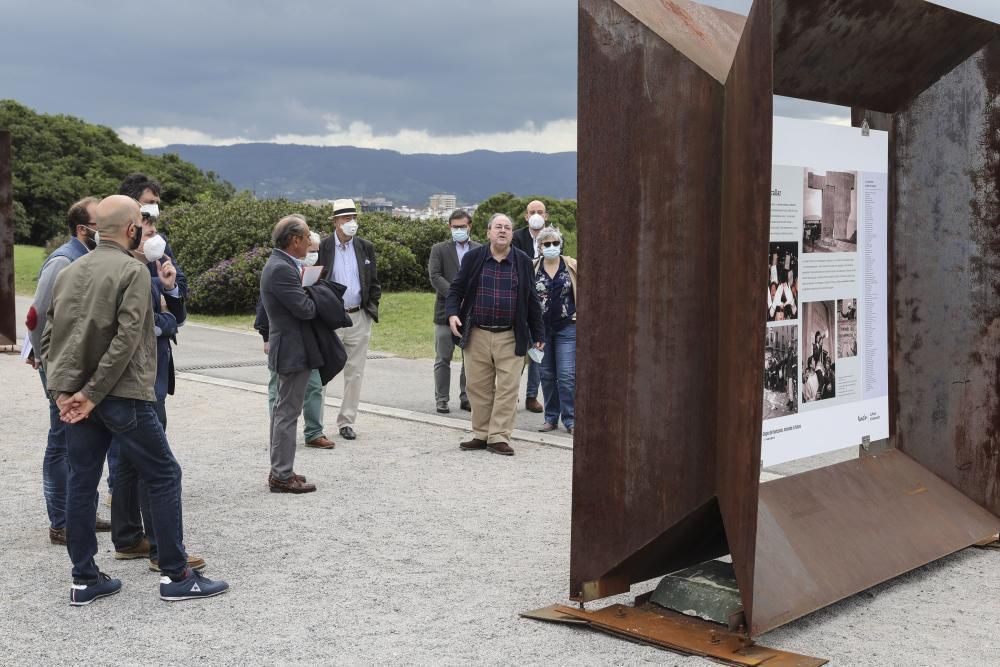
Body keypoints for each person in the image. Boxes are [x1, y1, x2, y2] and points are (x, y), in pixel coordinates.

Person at [40, 194, 228, 605]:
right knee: (163, 473)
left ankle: (85, 579)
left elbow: (48, 338)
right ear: (131, 230)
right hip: (122, 395)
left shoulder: (70, 271)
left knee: (82, 481)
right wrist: (89, 395)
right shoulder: (132, 271)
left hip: (78, 396)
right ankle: (176, 575)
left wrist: (64, 393)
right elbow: (127, 340)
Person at [110, 210, 206, 573]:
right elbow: (148, 327)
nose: (155, 234)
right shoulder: (127, 270)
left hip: (151, 375)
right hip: (140, 380)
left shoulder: (157, 264)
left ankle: (128, 538)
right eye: (148, 225)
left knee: (131, 461)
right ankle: (162, 553)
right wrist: (163, 316)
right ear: (132, 229)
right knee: (157, 465)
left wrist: (169, 290)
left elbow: (176, 315)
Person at [25, 197, 111, 545]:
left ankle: (81, 514)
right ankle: (61, 522)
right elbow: (37, 315)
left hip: (75, 365)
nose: (102, 230)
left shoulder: (88, 257)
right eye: (97, 224)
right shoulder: (63, 260)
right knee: (61, 442)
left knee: (82, 442)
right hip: (61, 368)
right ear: (82, 228)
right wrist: (45, 361)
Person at [446, 213, 544, 456]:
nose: (502, 231)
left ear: (512, 234)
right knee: (477, 387)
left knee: (508, 388)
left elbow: (532, 298)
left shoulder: (522, 261)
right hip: (478, 333)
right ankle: (481, 433)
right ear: (488, 231)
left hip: (510, 335)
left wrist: (538, 332)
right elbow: (456, 289)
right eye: (498, 227)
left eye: (507, 228)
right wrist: (452, 314)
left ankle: (499, 436)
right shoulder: (473, 258)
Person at [256, 231, 335, 449]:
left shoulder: (304, 270)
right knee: (279, 394)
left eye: (316, 251)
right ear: (296, 243)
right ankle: (278, 438)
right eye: (310, 248)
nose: (313, 253)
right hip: (285, 343)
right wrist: (265, 336)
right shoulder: (281, 270)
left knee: (315, 386)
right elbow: (265, 306)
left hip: (307, 342)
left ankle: (314, 431)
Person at [260, 215, 320, 493]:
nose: (310, 242)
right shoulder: (282, 269)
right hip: (292, 349)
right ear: (295, 240)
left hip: (287, 347)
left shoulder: (280, 264)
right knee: (287, 412)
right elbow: (305, 309)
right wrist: (316, 293)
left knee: (283, 410)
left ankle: (282, 469)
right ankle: (281, 475)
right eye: (307, 237)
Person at [318, 199, 381, 441]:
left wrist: (370, 307)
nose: (351, 223)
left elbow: (373, 281)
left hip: (358, 316)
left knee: (355, 372)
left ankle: (346, 421)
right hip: (331, 319)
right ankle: (316, 424)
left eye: (354, 218)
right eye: (346, 219)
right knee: (321, 372)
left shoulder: (366, 247)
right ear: (335, 222)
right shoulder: (323, 247)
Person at [428, 210, 480, 414]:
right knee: (443, 357)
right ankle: (441, 398)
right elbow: (435, 276)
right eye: (455, 227)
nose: (459, 230)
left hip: (471, 312)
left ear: (470, 226)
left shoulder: (479, 249)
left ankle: (466, 396)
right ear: (450, 227)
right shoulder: (439, 249)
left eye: (462, 226)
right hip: (444, 312)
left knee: (470, 359)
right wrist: (456, 295)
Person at [531, 227, 577, 435]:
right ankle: (551, 418)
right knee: (546, 375)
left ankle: (571, 419)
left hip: (566, 327)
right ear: (540, 247)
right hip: (540, 331)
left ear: (560, 244)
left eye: (555, 243)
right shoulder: (532, 267)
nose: (551, 247)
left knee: (567, 375)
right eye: (546, 244)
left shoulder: (572, 265)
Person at [511, 200, 547, 414]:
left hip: (542, 306)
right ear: (526, 216)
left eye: (540, 212)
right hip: (520, 301)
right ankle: (511, 393)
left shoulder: (551, 238)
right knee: (516, 354)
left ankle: (532, 396)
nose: (536, 215)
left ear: (546, 215)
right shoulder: (516, 238)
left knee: (537, 352)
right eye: (532, 212)